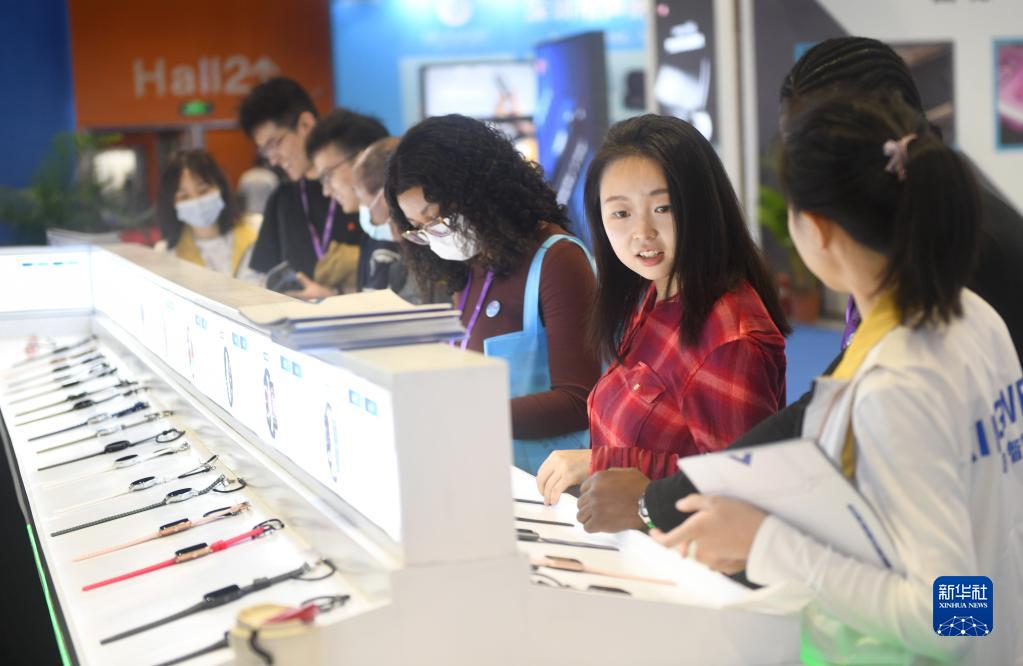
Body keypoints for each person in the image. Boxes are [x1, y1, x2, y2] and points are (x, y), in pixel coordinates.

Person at [576, 36, 1023, 535]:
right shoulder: (926, 279)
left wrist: (763, 548)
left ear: (817, 227)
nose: (641, 231)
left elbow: (942, 566)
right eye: (619, 213)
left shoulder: (925, 325)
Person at [654, 90, 1023, 665]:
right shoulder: (972, 316)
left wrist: (766, 542)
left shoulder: (897, 384)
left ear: (818, 229)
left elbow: (954, 616)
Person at [535, 115, 789, 505]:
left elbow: (740, 487)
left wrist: (603, 464)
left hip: (676, 542)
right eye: (621, 213)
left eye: (663, 208)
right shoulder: (655, 292)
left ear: (703, 207)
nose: (643, 232)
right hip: (629, 534)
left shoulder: (730, 339)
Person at [385, 114, 601, 474]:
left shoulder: (558, 259)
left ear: (477, 190)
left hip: (547, 481)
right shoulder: (470, 263)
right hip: (483, 467)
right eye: (419, 228)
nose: (434, 236)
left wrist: (468, 413)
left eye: (436, 218)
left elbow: (580, 401)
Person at [238, 77, 363, 292]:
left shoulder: (361, 189)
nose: (272, 159)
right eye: (265, 150)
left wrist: (334, 297)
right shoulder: (281, 199)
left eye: (274, 144)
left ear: (305, 124)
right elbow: (261, 277)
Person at [302, 109, 403, 297]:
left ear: (361, 159)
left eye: (327, 176)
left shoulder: (404, 230)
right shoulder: (372, 230)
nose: (326, 191)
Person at [154, 149, 260, 282]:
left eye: (203, 190)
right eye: (184, 197)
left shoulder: (258, 228)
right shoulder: (166, 253)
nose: (196, 201)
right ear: (172, 204)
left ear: (221, 187)